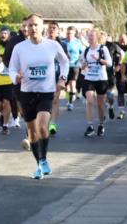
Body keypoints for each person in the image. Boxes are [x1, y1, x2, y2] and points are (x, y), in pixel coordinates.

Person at [10, 15, 70, 179]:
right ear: (25, 28)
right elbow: (12, 69)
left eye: (36, 25)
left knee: (42, 126)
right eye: (29, 26)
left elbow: (65, 62)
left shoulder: (52, 45)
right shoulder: (19, 48)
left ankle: (43, 160)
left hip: (46, 92)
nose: (33, 28)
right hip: (26, 93)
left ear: (41, 27)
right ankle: (40, 163)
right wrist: (16, 77)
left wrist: (63, 78)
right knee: (32, 132)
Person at [82, 30, 112, 138]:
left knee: (100, 104)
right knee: (89, 100)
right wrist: (84, 65)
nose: (90, 38)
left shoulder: (103, 48)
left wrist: (98, 59)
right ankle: (90, 126)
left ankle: (101, 124)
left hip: (101, 78)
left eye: (92, 36)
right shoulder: (86, 50)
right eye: (89, 36)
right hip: (89, 78)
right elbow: (82, 65)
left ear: (97, 37)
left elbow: (109, 63)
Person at [45, 22, 69, 136]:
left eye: (54, 28)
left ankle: (52, 123)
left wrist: (63, 78)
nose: (51, 30)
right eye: (49, 28)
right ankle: (44, 119)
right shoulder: (42, 42)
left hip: (57, 75)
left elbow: (65, 60)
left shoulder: (62, 44)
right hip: (44, 76)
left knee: (55, 99)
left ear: (58, 31)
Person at [64, 26, 85, 111]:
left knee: (72, 84)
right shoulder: (63, 42)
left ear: (74, 34)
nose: (69, 35)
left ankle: (70, 103)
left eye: (71, 34)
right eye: (68, 33)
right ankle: (69, 97)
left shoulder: (77, 42)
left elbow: (82, 53)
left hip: (75, 66)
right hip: (65, 66)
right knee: (66, 87)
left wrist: (80, 62)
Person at [114, 33, 127, 119]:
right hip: (119, 73)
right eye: (120, 38)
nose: (122, 40)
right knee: (120, 92)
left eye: (124, 38)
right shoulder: (116, 47)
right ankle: (121, 111)